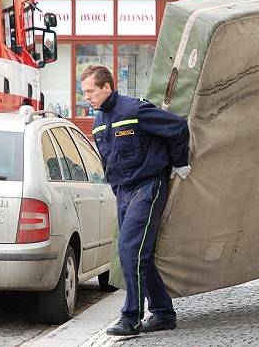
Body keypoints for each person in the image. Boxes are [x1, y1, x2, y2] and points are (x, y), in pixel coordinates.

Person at [82, 65, 190, 336]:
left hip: (148, 186)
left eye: (91, 91)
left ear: (107, 87)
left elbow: (178, 127)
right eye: (84, 92)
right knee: (140, 253)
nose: (87, 97)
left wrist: (180, 163)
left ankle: (131, 318)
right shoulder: (98, 123)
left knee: (129, 250)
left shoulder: (135, 111)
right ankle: (164, 313)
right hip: (124, 192)